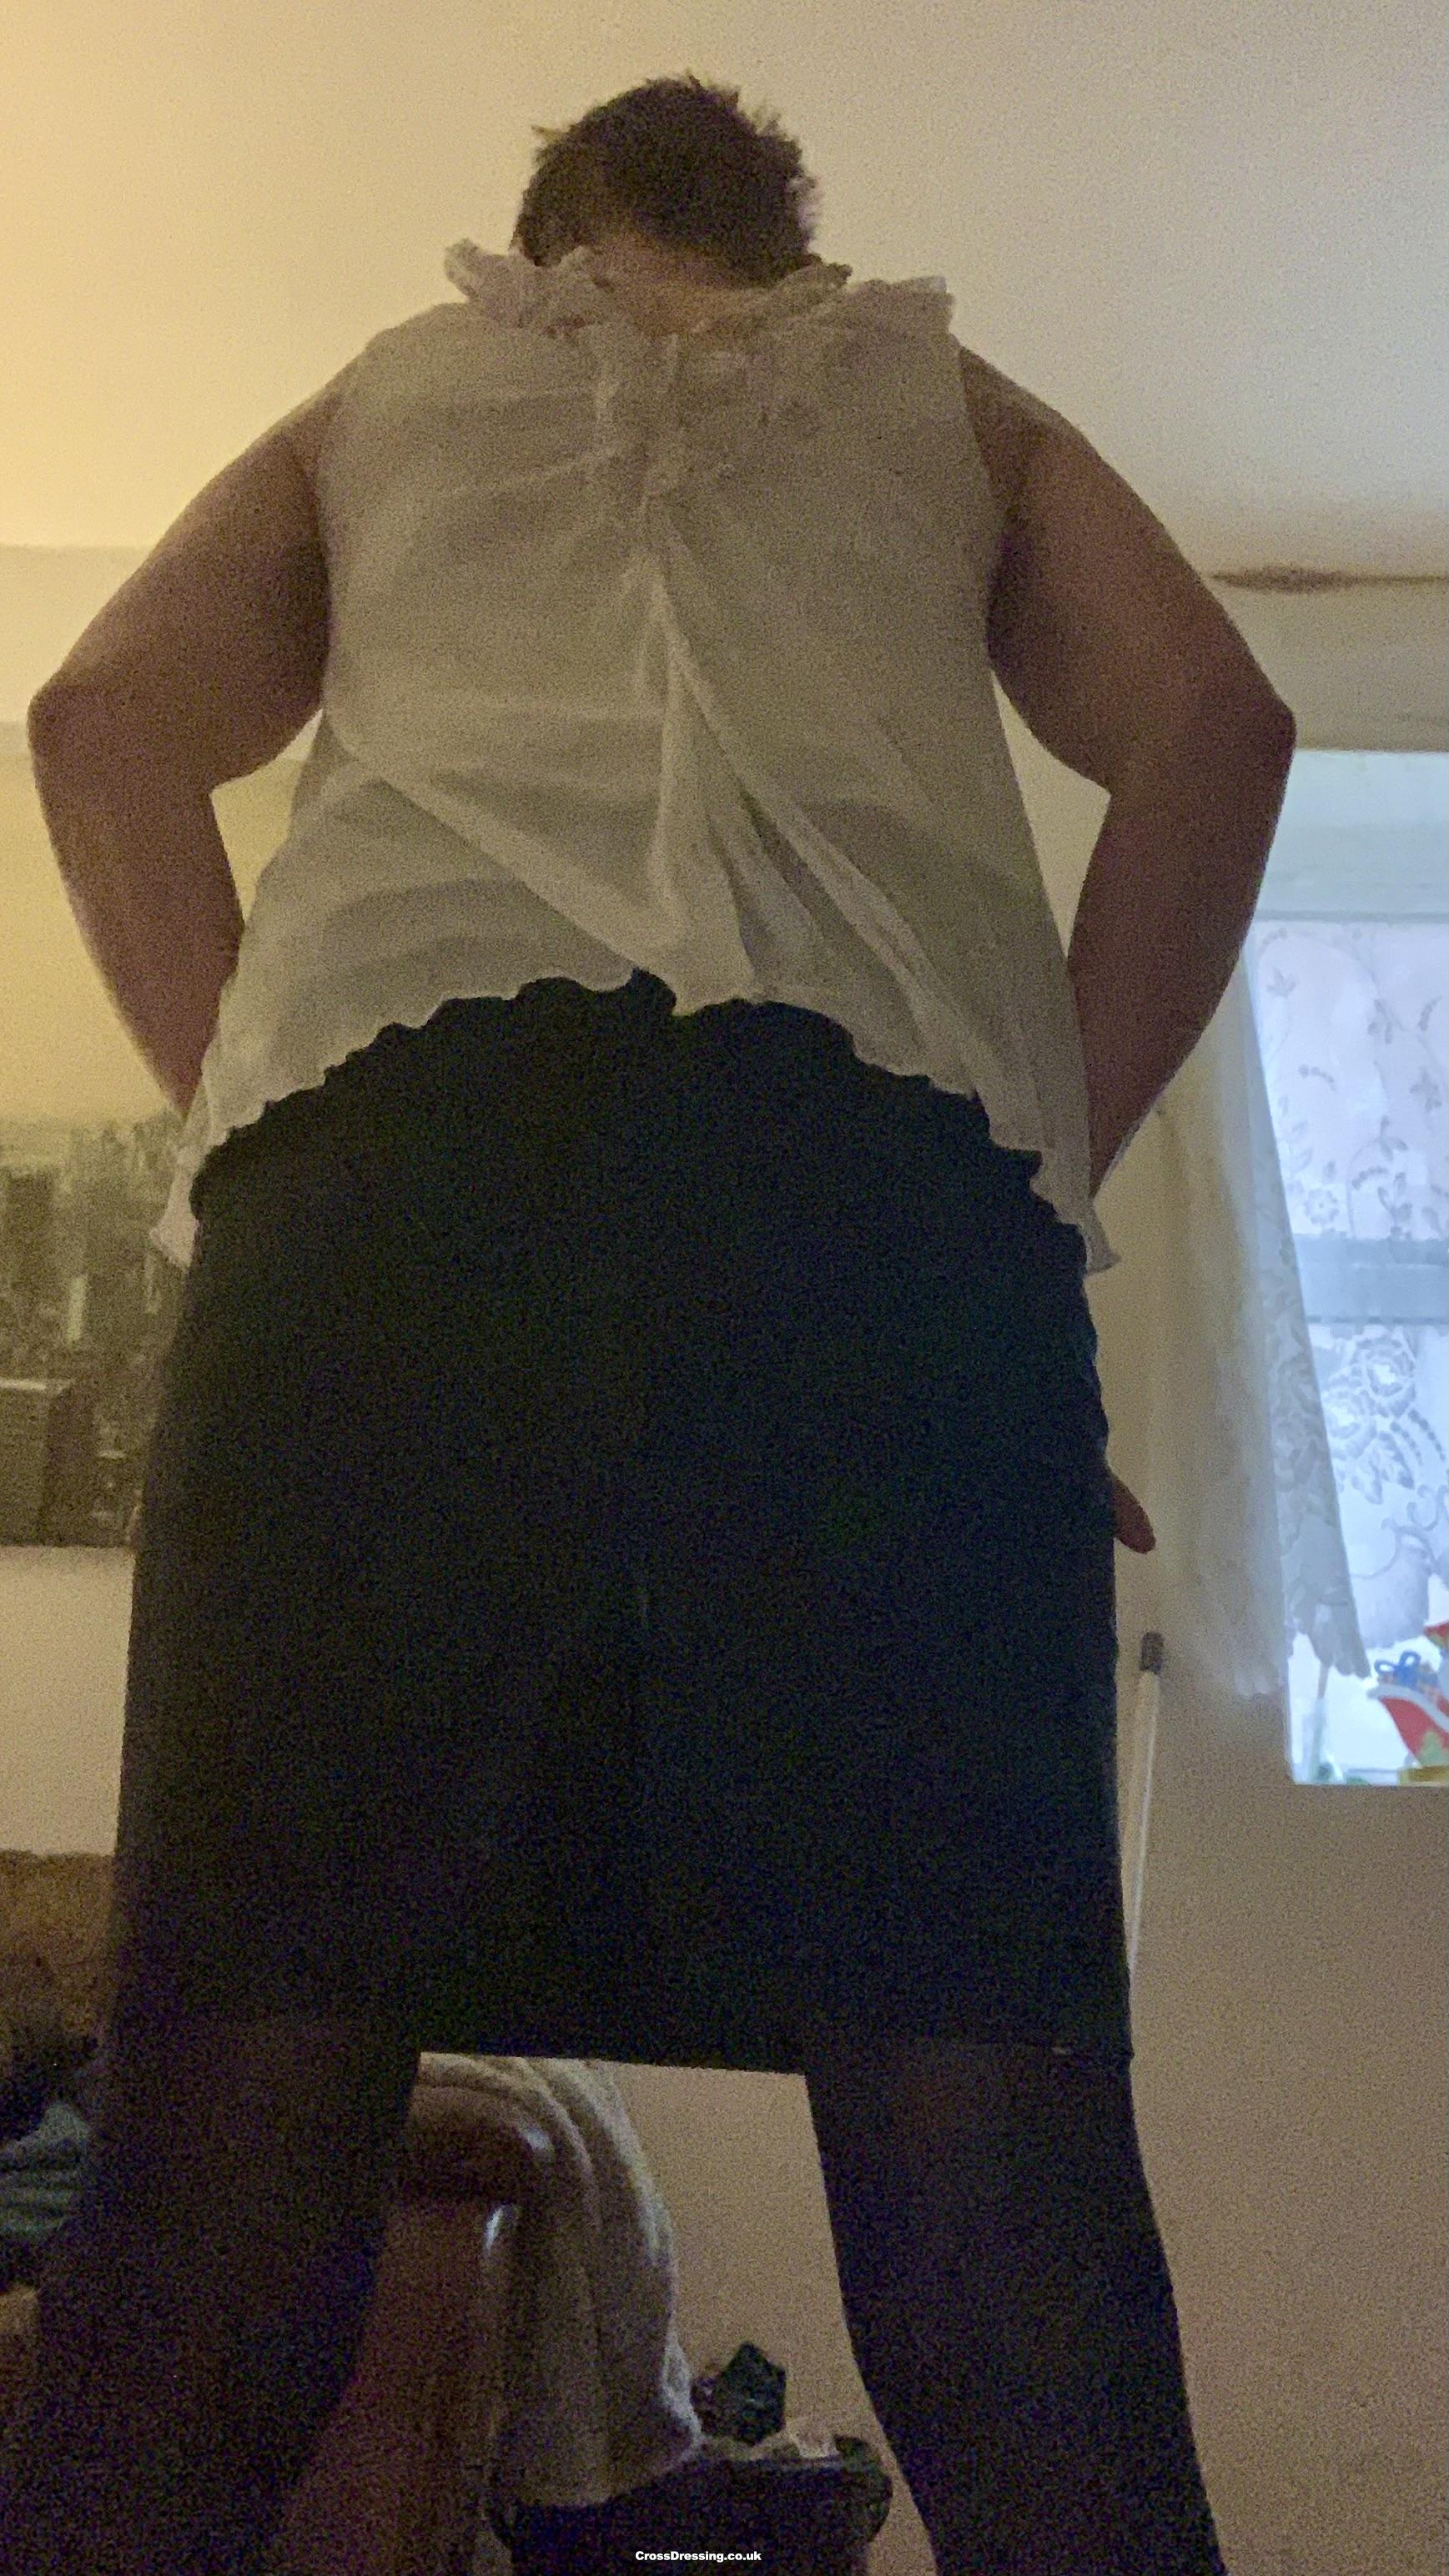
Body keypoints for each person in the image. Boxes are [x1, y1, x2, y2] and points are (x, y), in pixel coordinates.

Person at [4, 71, 1295, 2576]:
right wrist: (1016, 1230)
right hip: (867, 1214)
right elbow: (1217, 729)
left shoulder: (388, 394)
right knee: (986, 2135)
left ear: (540, 241)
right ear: (798, 245)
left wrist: (256, 1144)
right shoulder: (949, 398)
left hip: (394, 1215)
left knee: (233, 2134)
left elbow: (97, 721)